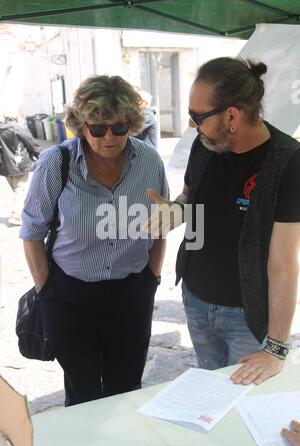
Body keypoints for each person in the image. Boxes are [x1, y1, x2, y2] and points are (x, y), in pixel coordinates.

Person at [145, 57, 300, 385]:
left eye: (196, 116)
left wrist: (275, 348)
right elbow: (189, 195)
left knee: (240, 411)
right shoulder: (207, 143)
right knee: (209, 394)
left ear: (232, 115)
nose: (190, 125)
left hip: (245, 317)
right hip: (196, 301)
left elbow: (284, 264)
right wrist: (176, 210)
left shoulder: (288, 162)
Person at [20, 75, 169, 406]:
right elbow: (32, 232)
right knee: (82, 392)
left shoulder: (148, 161)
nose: (109, 137)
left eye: (119, 127)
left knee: (127, 389)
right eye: (97, 128)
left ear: (132, 123)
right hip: (70, 297)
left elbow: (161, 224)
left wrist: (152, 278)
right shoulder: (56, 163)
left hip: (131, 295)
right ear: (80, 126)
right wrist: (46, 290)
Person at [0, 117, 40, 225]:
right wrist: (40, 155)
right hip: (20, 164)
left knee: (17, 190)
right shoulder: (18, 128)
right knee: (20, 190)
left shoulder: (1, 129)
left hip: (5, 167)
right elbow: (30, 142)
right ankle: (16, 215)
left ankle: (21, 213)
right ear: (15, 118)